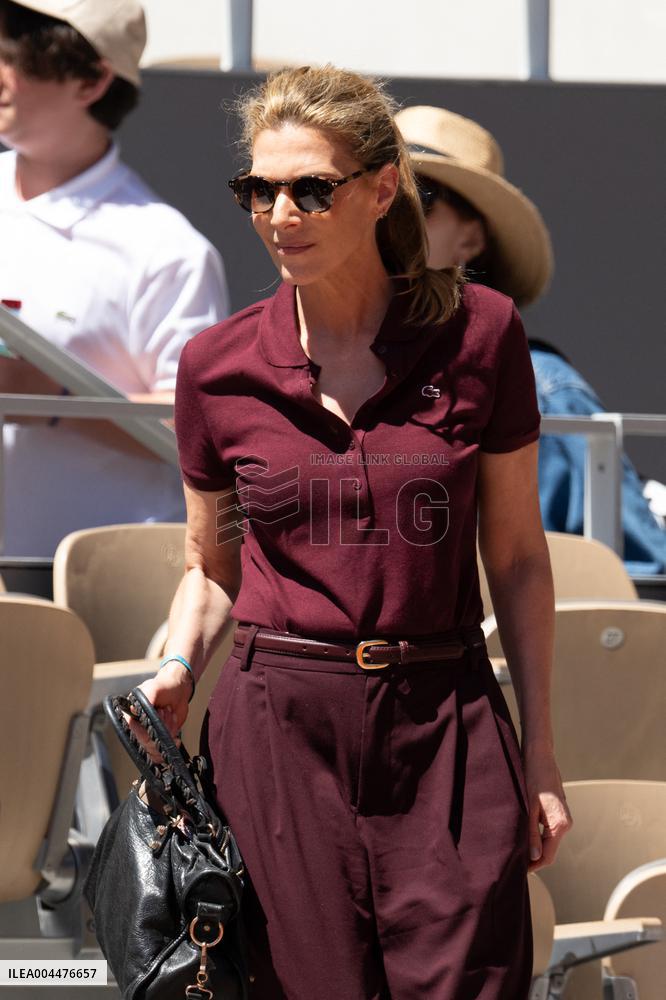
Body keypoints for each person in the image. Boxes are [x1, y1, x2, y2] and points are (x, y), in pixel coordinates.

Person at [139, 66, 571, 999]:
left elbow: (519, 560)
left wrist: (540, 748)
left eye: (310, 188)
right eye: (259, 189)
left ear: (381, 189)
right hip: (278, 729)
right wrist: (177, 667)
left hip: (446, 724)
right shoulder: (214, 367)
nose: (280, 213)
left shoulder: (482, 333)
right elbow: (210, 569)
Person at [0, 0, 230, 557]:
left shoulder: (166, 249)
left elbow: (201, 434)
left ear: (91, 80)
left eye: (11, 59)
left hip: (93, 583)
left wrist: (47, 398)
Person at [396, 104, 666, 574]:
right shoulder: (328, 364)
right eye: (376, 193)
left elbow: (637, 569)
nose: (388, 214)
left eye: (417, 198)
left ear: (472, 239)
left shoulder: (542, 384)